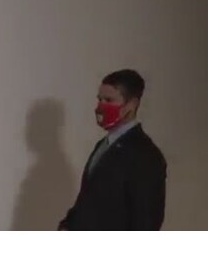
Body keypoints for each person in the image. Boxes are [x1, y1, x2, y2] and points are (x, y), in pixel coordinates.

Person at [59, 69, 166, 230]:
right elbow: (88, 199)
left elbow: (146, 223)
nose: (101, 106)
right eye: (100, 99)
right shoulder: (103, 145)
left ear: (132, 104)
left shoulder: (146, 155)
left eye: (109, 100)